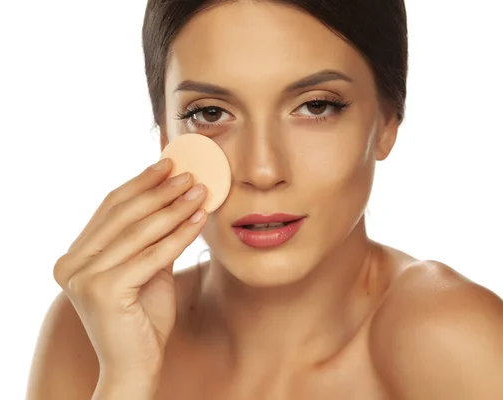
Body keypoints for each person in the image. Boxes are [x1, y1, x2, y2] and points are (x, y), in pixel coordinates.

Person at [26, 1, 503, 399]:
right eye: (211, 112)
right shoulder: (90, 331)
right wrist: (126, 380)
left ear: (388, 121)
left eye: (316, 106)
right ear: (165, 131)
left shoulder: (454, 340)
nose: (262, 170)